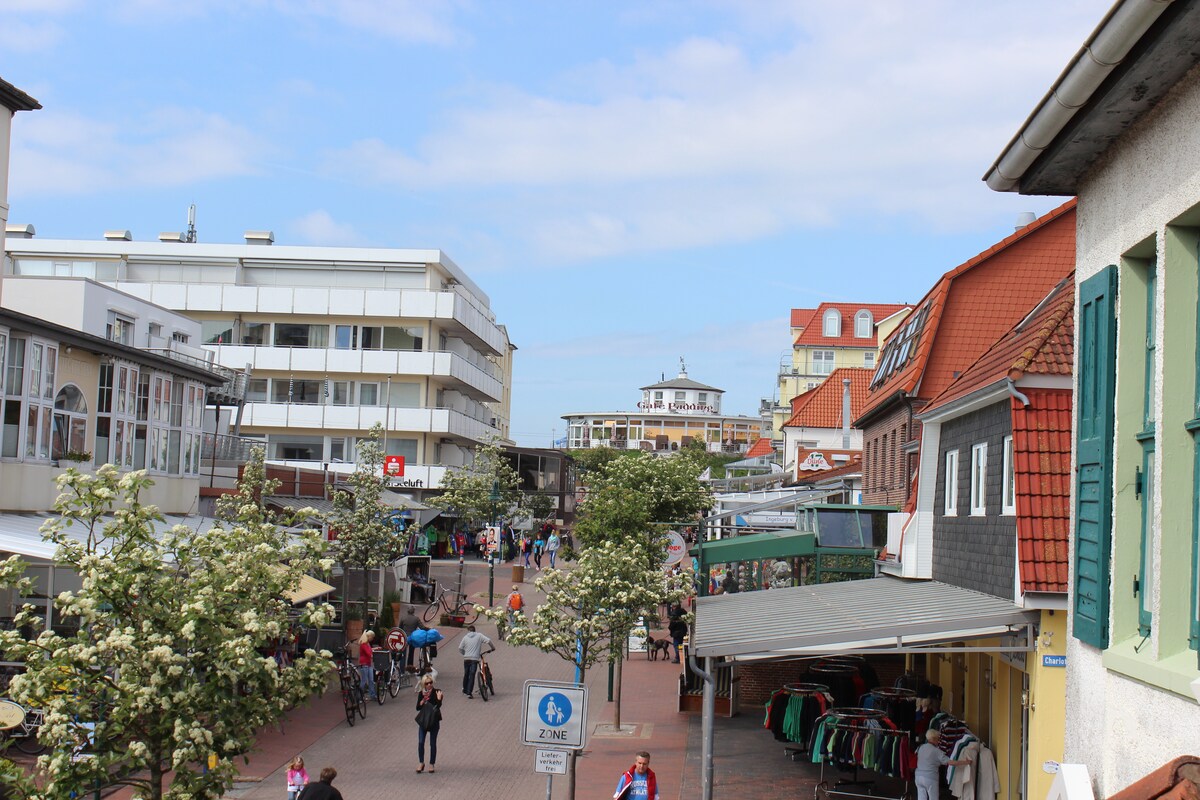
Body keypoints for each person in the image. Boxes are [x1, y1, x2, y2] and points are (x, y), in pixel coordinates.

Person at [915, 730, 972, 800]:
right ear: (934, 738)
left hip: (918, 777)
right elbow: (951, 762)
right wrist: (965, 762)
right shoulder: (936, 751)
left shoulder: (921, 747)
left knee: (921, 798)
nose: (939, 741)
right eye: (938, 739)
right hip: (930, 777)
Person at [415, 673, 444, 773]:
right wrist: (422, 701)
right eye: (427, 683)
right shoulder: (421, 693)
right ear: (424, 684)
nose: (429, 685)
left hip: (433, 721)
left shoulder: (437, 691)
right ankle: (421, 762)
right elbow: (417, 708)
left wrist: (439, 699)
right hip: (423, 721)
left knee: (432, 743)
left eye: (431, 682)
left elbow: (438, 706)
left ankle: (431, 764)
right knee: (421, 742)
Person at [458, 624, 495, 700]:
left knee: (466, 674)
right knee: (472, 674)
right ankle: (469, 693)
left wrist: (465, 654)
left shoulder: (465, 637)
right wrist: (493, 648)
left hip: (466, 659)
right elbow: (488, 641)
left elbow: (460, 648)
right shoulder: (479, 635)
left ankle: (465, 689)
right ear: (475, 630)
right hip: (474, 659)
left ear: (468, 630)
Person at [357, 629, 377, 700]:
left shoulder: (367, 643)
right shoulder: (364, 644)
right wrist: (373, 655)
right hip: (364, 664)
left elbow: (369, 650)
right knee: (364, 680)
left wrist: (375, 649)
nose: (372, 639)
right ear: (369, 636)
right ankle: (359, 696)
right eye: (372, 637)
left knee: (371, 680)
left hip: (368, 664)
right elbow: (369, 653)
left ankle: (372, 695)